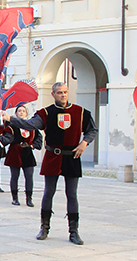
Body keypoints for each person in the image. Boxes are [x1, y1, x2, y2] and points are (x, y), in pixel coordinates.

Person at [9, 82, 97, 245]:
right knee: (49, 192)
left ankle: (74, 231)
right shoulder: (46, 113)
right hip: (53, 155)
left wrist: (85, 142)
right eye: (59, 92)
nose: (63, 95)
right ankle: (45, 227)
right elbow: (29, 125)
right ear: (53, 94)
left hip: (72, 156)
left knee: (72, 194)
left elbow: (92, 130)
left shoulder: (81, 112)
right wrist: (11, 120)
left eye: (65, 92)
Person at [2, 103, 42, 207]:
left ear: (26, 114)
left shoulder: (31, 127)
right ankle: (15, 198)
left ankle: (29, 198)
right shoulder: (12, 126)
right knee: (15, 176)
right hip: (15, 152)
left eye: (23, 111)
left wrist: (33, 146)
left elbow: (39, 138)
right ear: (16, 113)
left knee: (29, 176)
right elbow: (7, 138)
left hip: (27, 152)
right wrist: (0, 139)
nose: (21, 112)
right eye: (19, 111)